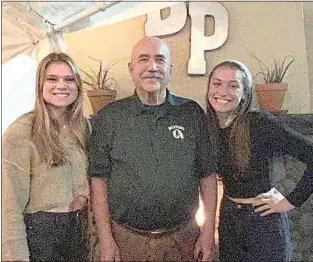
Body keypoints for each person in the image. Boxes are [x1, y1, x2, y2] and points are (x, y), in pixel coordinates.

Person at [86, 36, 218, 261]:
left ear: (169, 69)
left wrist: (207, 233)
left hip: (183, 239)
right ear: (131, 68)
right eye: (143, 59)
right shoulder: (110, 117)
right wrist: (106, 239)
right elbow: (99, 182)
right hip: (126, 240)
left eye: (160, 60)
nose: (152, 67)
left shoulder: (191, 113)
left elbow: (207, 176)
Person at [205, 60, 313, 261]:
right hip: (229, 221)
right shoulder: (208, 128)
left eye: (233, 85)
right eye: (217, 83)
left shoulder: (260, 124)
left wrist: (290, 202)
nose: (223, 91)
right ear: (209, 88)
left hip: (264, 225)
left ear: (245, 93)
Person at [2, 52, 90, 261]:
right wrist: (17, 257)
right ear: (40, 85)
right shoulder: (20, 132)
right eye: (52, 79)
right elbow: (9, 205)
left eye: (69, 79)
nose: (61, 85)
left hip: (79, 231)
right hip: (42, 235)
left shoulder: (83, 128)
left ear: (77, 86)